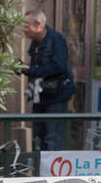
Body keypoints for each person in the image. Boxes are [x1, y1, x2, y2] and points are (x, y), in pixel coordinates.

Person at [24, 10, 74, 153]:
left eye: (26, 25)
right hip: (39, 95)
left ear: (38, 25)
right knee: (38, 137)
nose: (23, 29)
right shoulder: (35, 43)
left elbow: (58, 67)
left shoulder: (55, 40)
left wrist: (31, 70)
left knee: (53, 138)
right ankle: (38, 171)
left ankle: (52, 173)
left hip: (56, 96)